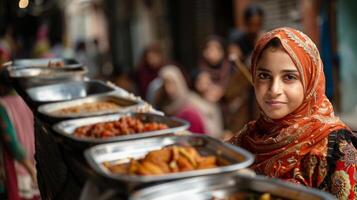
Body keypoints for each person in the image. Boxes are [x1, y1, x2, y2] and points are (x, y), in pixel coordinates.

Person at [228, 27, 357, 199]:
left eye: (289, 77)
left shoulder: (334, 147)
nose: (274, 90)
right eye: (264, 76)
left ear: (310, 80)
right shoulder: (245, 141)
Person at [154, 65, 223, 136]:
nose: (167, 88)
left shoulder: (189, 104)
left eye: (207, 81)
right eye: (165, 83)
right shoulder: (160, 101)